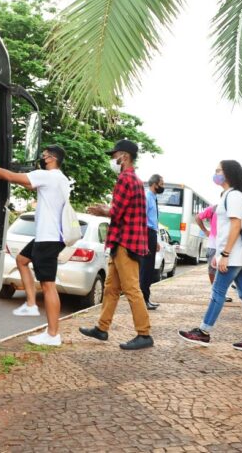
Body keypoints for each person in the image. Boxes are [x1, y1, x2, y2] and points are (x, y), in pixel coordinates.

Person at [178, 160, 242, 353]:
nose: (216, 173)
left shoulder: (234, 195)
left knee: (218, 292)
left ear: (228, 173)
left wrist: (225, 255)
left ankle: (204, 331)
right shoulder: (233, 195)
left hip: (234, 255)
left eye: (218, 170)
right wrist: (220, 254)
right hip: (238, 255)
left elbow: (235, 226)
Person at [79, 139, 154, 350]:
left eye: (115, 155)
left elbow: (116, 212)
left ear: (125, 157)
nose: (112, 159)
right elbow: (124, 210)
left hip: (125, 243)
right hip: (125, 241)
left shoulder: (125, 179)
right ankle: (102, 328)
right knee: (111, 288)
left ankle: (144, 334)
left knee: (131, 289)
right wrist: (107, 208)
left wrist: (102, 210)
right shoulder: (136, 180)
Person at [0, 145, 69, 346]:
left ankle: (53, 335)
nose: (42, 158)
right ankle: (32, 304)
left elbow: (10, 176)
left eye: (44, 156)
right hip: (50, 236)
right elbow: (28, 184)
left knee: (48, 285)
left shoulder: (48, 176)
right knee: (22, 259)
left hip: (48, 238)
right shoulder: (60, 179)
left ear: (52, 158)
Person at [195, 196, 233, 302]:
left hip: (225, 244)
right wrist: (205, 231)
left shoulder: (232, 210)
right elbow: (198, 217)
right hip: (213, 244)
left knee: (224, 269)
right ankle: (214, 292)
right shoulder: (213, 209)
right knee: (212, 269)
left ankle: (220, 292)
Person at [140, 174, 164, 310]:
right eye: (162, 183)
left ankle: (147, 298)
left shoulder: (154, 198)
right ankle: (143, 301)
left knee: (149, 269)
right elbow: (143, 219)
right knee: (146, 269)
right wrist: (145, 240)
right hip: (147, 233)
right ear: (155, 184)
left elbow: (153, 221)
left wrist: (156, 241)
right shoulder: (147, 197)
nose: (163, 186)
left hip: (152, 234)